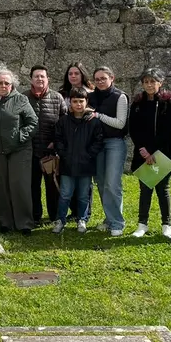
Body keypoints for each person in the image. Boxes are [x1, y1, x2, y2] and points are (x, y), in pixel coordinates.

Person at [0, 67, 38, 235]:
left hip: (20, 150)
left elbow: (33, 123)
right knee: (0, 187)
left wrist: (20, 136)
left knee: (20, 186)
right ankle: (5, 221)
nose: (3, 86)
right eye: (0, 83)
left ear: (12, 85)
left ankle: (24, 223)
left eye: (7, 83)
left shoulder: (21, 100)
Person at [129, 68, 171, 239]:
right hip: (143, 153)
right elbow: (133, 128)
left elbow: (168, 130)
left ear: (160, 83)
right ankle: (142, 224)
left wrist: (154, 152)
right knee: (145, 189)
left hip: (162, 153)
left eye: (153, 81)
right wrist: (143, 149)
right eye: (146, 82)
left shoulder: (168, 103)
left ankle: (167, 224)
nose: (149, 85)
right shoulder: (137, 103)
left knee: (162, 189)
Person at [52, 88, 104, 234]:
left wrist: (89, 154)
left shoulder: (94, 122)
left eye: (81, 101)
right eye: (75, 101)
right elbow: (58, 139)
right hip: (67, 164)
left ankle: (82, 219)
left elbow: (98, 140)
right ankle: (60, 220)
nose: (78, 104)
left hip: (86, 165)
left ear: (86, 102)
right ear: (70, 102)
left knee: (83, 195)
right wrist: (63, 154)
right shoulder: (63, 121)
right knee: (65, 194)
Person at [88, 66, 129, 236]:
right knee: (101, 182)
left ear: (112, 78)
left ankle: (117, 223)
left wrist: (98, 116)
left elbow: (120, 123)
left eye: (103, 78)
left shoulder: (121, 97)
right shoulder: (90, 96)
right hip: (97, 143)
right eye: (97, 79)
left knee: (112, 183)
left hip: (114, 142)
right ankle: (109, 218)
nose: (100, 82)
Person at [27, 65, 67, 225]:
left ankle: (55, 216)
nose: (39, 79)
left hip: (50, 151)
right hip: (30, 150)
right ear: (31, 79)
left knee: (52, 186)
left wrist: (56, 142)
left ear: (47, 79)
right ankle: (35, 215)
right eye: (36, 76)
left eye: (42, 76)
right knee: (32, 186)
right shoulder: (24, 98)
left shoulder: (57, 98)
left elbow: (64, 123)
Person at [59, 61, 94, 222]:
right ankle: (72, 212)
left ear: (82, 75)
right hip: (68, 140)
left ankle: (84, 213)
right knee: (68, 183)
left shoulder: (90, 93)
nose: (73, 76)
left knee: (84, 185)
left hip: (85, 141)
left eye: (76, 73)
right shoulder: (62, 93)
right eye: (70, 74)